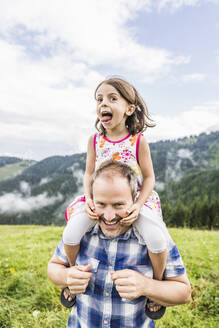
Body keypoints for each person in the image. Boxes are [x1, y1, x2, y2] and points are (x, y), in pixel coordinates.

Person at [62, 77, 172, 316]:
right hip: (100, 202)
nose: (104, 103)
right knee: (71, 232)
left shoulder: (138, 141)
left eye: (113, 98)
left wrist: (138, 204)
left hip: (133, 202)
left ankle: (158, 283)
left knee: (156, 237)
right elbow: (89, 173)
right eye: (99, 99)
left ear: (129, 109)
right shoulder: (95, 140)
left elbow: (150, 178)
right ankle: (73, 275)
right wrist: (89, 200)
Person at [48, 161, 191, 328]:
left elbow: (184, 293)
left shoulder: (154, 239)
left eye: (118, 205)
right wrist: (67, 276)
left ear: (134, 201)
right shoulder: (81, 234)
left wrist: (146, 286)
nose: (109, 216)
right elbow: (54, 267)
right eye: (101, 204)